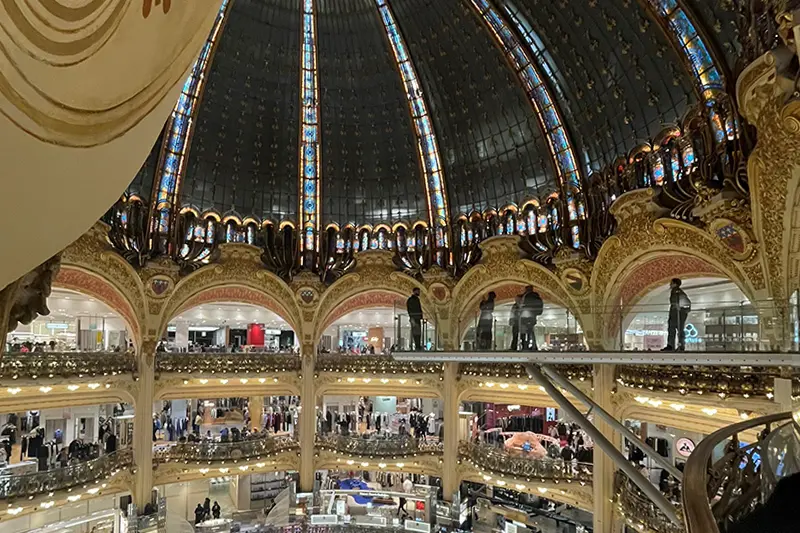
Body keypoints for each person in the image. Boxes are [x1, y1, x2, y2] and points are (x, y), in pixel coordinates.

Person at [664, 278, 691, 351]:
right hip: (676, 313)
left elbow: (686, 304)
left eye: (671, 283)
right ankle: (677, 345)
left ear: (675, 283)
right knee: (676, 330)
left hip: (677, 314)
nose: (670, 284)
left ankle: (675, 346)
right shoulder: (676, 292)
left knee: (676, 330)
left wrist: (680, 309)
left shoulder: (677, 291)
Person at [519, 286, 543, 351]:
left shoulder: (527, 296)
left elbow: (525, 305)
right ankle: (533, 345)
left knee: (526, 332)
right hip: (532, 317)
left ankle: (526, 345)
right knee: (530, 331)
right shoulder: (535, 296)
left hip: (526, 316)